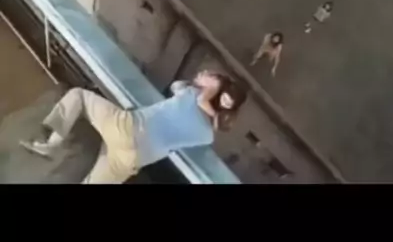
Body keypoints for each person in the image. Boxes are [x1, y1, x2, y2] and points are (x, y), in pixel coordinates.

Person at [19, 71, 247, 184]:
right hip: (133, 159)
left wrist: (204, 86)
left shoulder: (191, 93)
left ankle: (50, 145)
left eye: (209, 75)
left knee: (79, 96)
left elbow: (177, 85)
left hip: (127, 129)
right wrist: (212, 98)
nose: (203, 74)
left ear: (214, 89)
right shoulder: (207, 136)